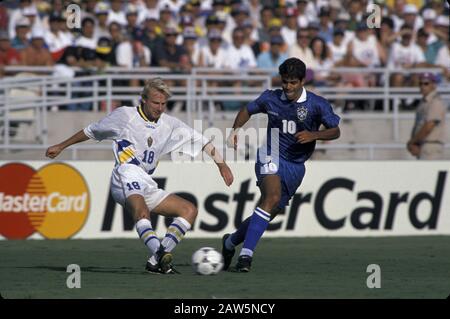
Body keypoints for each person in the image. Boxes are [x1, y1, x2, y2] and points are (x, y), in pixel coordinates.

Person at [45, 78, 234, 274]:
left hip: (146, 180)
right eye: (155, 103)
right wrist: (61, 146)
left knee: (189, 210)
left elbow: (203, 142)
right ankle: (161, 255)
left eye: (163, 104)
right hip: (125, 174)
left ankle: (156, 260)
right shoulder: (125, 116)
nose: (159, 108)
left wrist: (222, 165)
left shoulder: (170, 124)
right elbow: (91, 131)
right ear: (143, 99)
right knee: (142, 212)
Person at [222, 58, 341, 272]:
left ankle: (230, 242)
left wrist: (314, 134)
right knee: (272, 197)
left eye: (293, 82)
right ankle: (246, 257)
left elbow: (336, 130)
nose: (288, 87)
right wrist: (234, 130)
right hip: (271, 152)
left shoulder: (317, 104)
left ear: (303, 81)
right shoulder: (271, 98)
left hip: (296, 166)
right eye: (285, 81)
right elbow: (248, 109)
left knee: (268, 211)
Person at [407, 73, 446, 160]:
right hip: (422, 145)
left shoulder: (435, 102)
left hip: (431, 146)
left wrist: (412, 141)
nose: (422, 86)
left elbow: (429, 126)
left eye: (426, 83)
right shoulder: (423, 102)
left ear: (434, 85)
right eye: (420, 84)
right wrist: (414, 144)